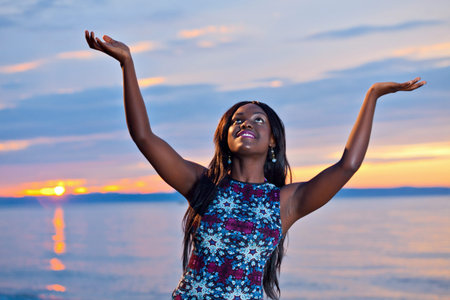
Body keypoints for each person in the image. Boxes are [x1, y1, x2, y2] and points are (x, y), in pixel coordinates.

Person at [85, 30, 426, 300]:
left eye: (258, 120)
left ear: (273, 140)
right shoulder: (202, 185)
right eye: (237, 119)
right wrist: (127, 64)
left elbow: (348, 165)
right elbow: (144, 136)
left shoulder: (286, 202)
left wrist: (373, 95)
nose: (246, 123)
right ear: (225, 137)